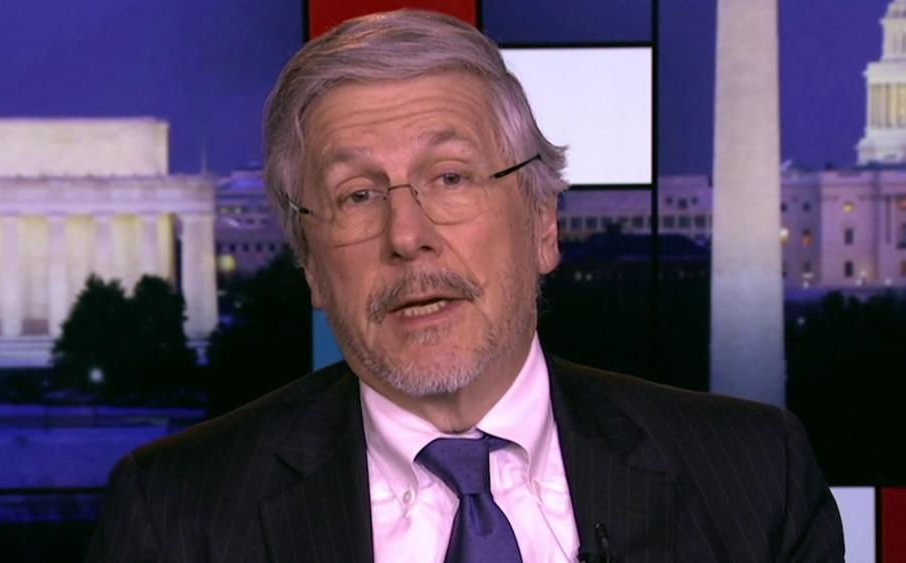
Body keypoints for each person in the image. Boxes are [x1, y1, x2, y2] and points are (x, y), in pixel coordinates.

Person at [87, 10, 844, 562]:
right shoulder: (174, 516)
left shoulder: (753, 479)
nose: (407, 235)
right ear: (312, 266)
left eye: (450, 178)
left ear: (543, 223)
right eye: (357, 195)